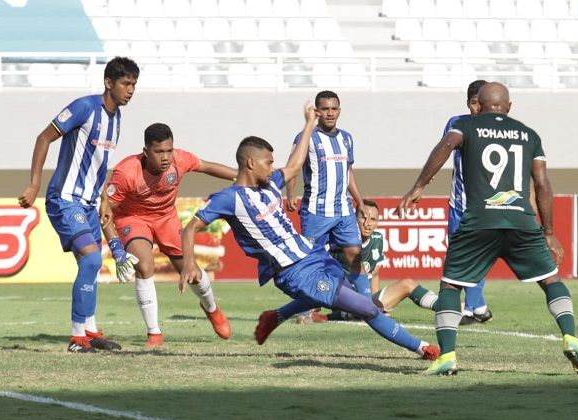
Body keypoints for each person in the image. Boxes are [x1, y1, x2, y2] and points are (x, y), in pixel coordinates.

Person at [179, 103, 440, 362]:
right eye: (268, 162)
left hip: (312, 253)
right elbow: (191, 227)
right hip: (295, 272)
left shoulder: (269, 185)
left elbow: (294, 166)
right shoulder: (230, 199)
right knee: (366, 308)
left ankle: (276, 316)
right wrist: (189, 262)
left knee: (341, 296)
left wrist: (308, 125)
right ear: (250, 163)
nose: (272, 168)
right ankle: (424, 348)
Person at [397, 82, 578, 376]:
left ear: (479, 103)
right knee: (551, 280)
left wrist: (419, 185)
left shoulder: (466, 126)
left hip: (480, 220)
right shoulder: (529, 135)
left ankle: (447, 355)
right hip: (521, 221)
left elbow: (446, 145)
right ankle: (570, 337)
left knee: (451, 285)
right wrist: (549, 232)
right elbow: (541, 184)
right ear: (509, 106)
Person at [17, 57, 140, 353]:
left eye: (134, 84)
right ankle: (77, 338)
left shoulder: (117, 119)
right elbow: (44, 138)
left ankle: (91, 330)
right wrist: (34, 184)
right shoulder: (85, 107)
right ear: (108, 83)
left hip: (88, 203)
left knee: (91, 264)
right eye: (126, 83)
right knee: (92, 260)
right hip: (65, 200)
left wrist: (105, 199)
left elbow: (100, 164)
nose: (131, 90)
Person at [100, 123, 237, 347]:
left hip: (166, 218)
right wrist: (116, 248)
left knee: (190, 270)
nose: (166, 157)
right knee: (144, 265)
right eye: (159, 152)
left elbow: (208, 167)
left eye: (169, 150)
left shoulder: (180, 160)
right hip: (133, 219)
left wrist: (243, 178)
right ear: (146, 152)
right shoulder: (125, 172)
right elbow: (105, 211)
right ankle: (154, 333)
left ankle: (211, 308)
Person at [285, 91, 372, 300]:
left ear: (339, 111)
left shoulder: (346, 138)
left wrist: (359, 202)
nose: (330, 113)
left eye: (334, 109)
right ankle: (305, 310)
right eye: (325, 109)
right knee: (310, 261)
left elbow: (348, 171)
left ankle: (368, 307)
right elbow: (292, 167)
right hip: (316, 211)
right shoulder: (306, 137)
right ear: (317, 112)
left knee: (355, 256)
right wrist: (289, 194)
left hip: (343, 210)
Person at [307, 199, 439, 323]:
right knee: (365, 307)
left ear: (378, 223)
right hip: (340, 296)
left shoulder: (378, 240)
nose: (368, 223)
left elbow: (374, 274)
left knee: (407, 284)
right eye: (363, 217)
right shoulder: (340, 240)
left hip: (363, 298)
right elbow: (317, 264)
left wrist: (374, 301)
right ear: (354, 218)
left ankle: (446, 308)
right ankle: (330, 316)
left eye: (373, 219)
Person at [444, 80, 494, 326]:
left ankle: (469, 310)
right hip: (457, 206)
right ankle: (480, 307)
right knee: (457, 257)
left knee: (476, 257)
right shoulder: (456, 123)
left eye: (481, 103)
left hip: (484, 207)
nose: (477, 108)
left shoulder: (497, 130)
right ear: (468, 103)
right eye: (474, 103)